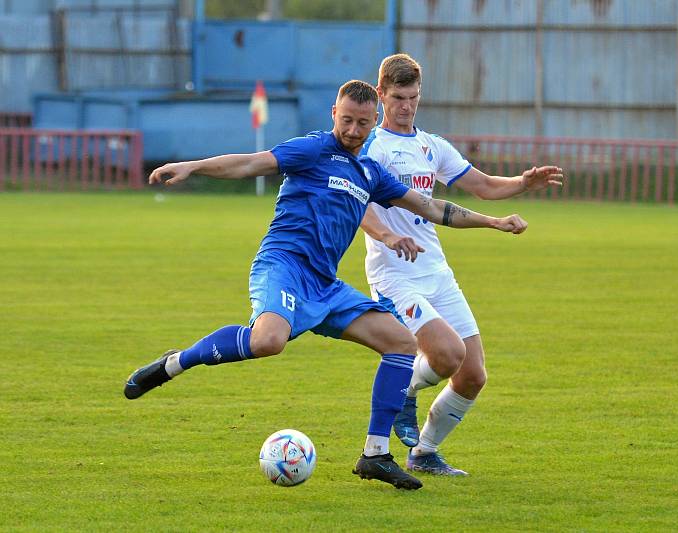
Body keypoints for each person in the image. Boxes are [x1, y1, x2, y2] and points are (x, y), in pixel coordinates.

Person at [123, 79, 529, 491]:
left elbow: (431, 207)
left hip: (325, 284)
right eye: (347, 120)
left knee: (401, 343)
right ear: (335, 114)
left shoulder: (370, 173)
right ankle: (176, 362)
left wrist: (492, 221)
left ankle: (375, 455)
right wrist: (193, 166)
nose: (353, 131)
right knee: (268, 341)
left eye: (362, 124)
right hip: (284, 266)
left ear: (374, 122)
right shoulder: (313, 149)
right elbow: (250, 163)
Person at [359, 54, 564, 476]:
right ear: (380, 95)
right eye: (398, 97)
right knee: (447, 353)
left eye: (413, 97)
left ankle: (424, 453)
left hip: (436, 272)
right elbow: (355, 206)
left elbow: (484, 186)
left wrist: (523, 183)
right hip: (395, 275)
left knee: (472, 375)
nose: (406, 106)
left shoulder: (430, 146)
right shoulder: (370, 148)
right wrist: (386, 235)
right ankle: (405, 392)